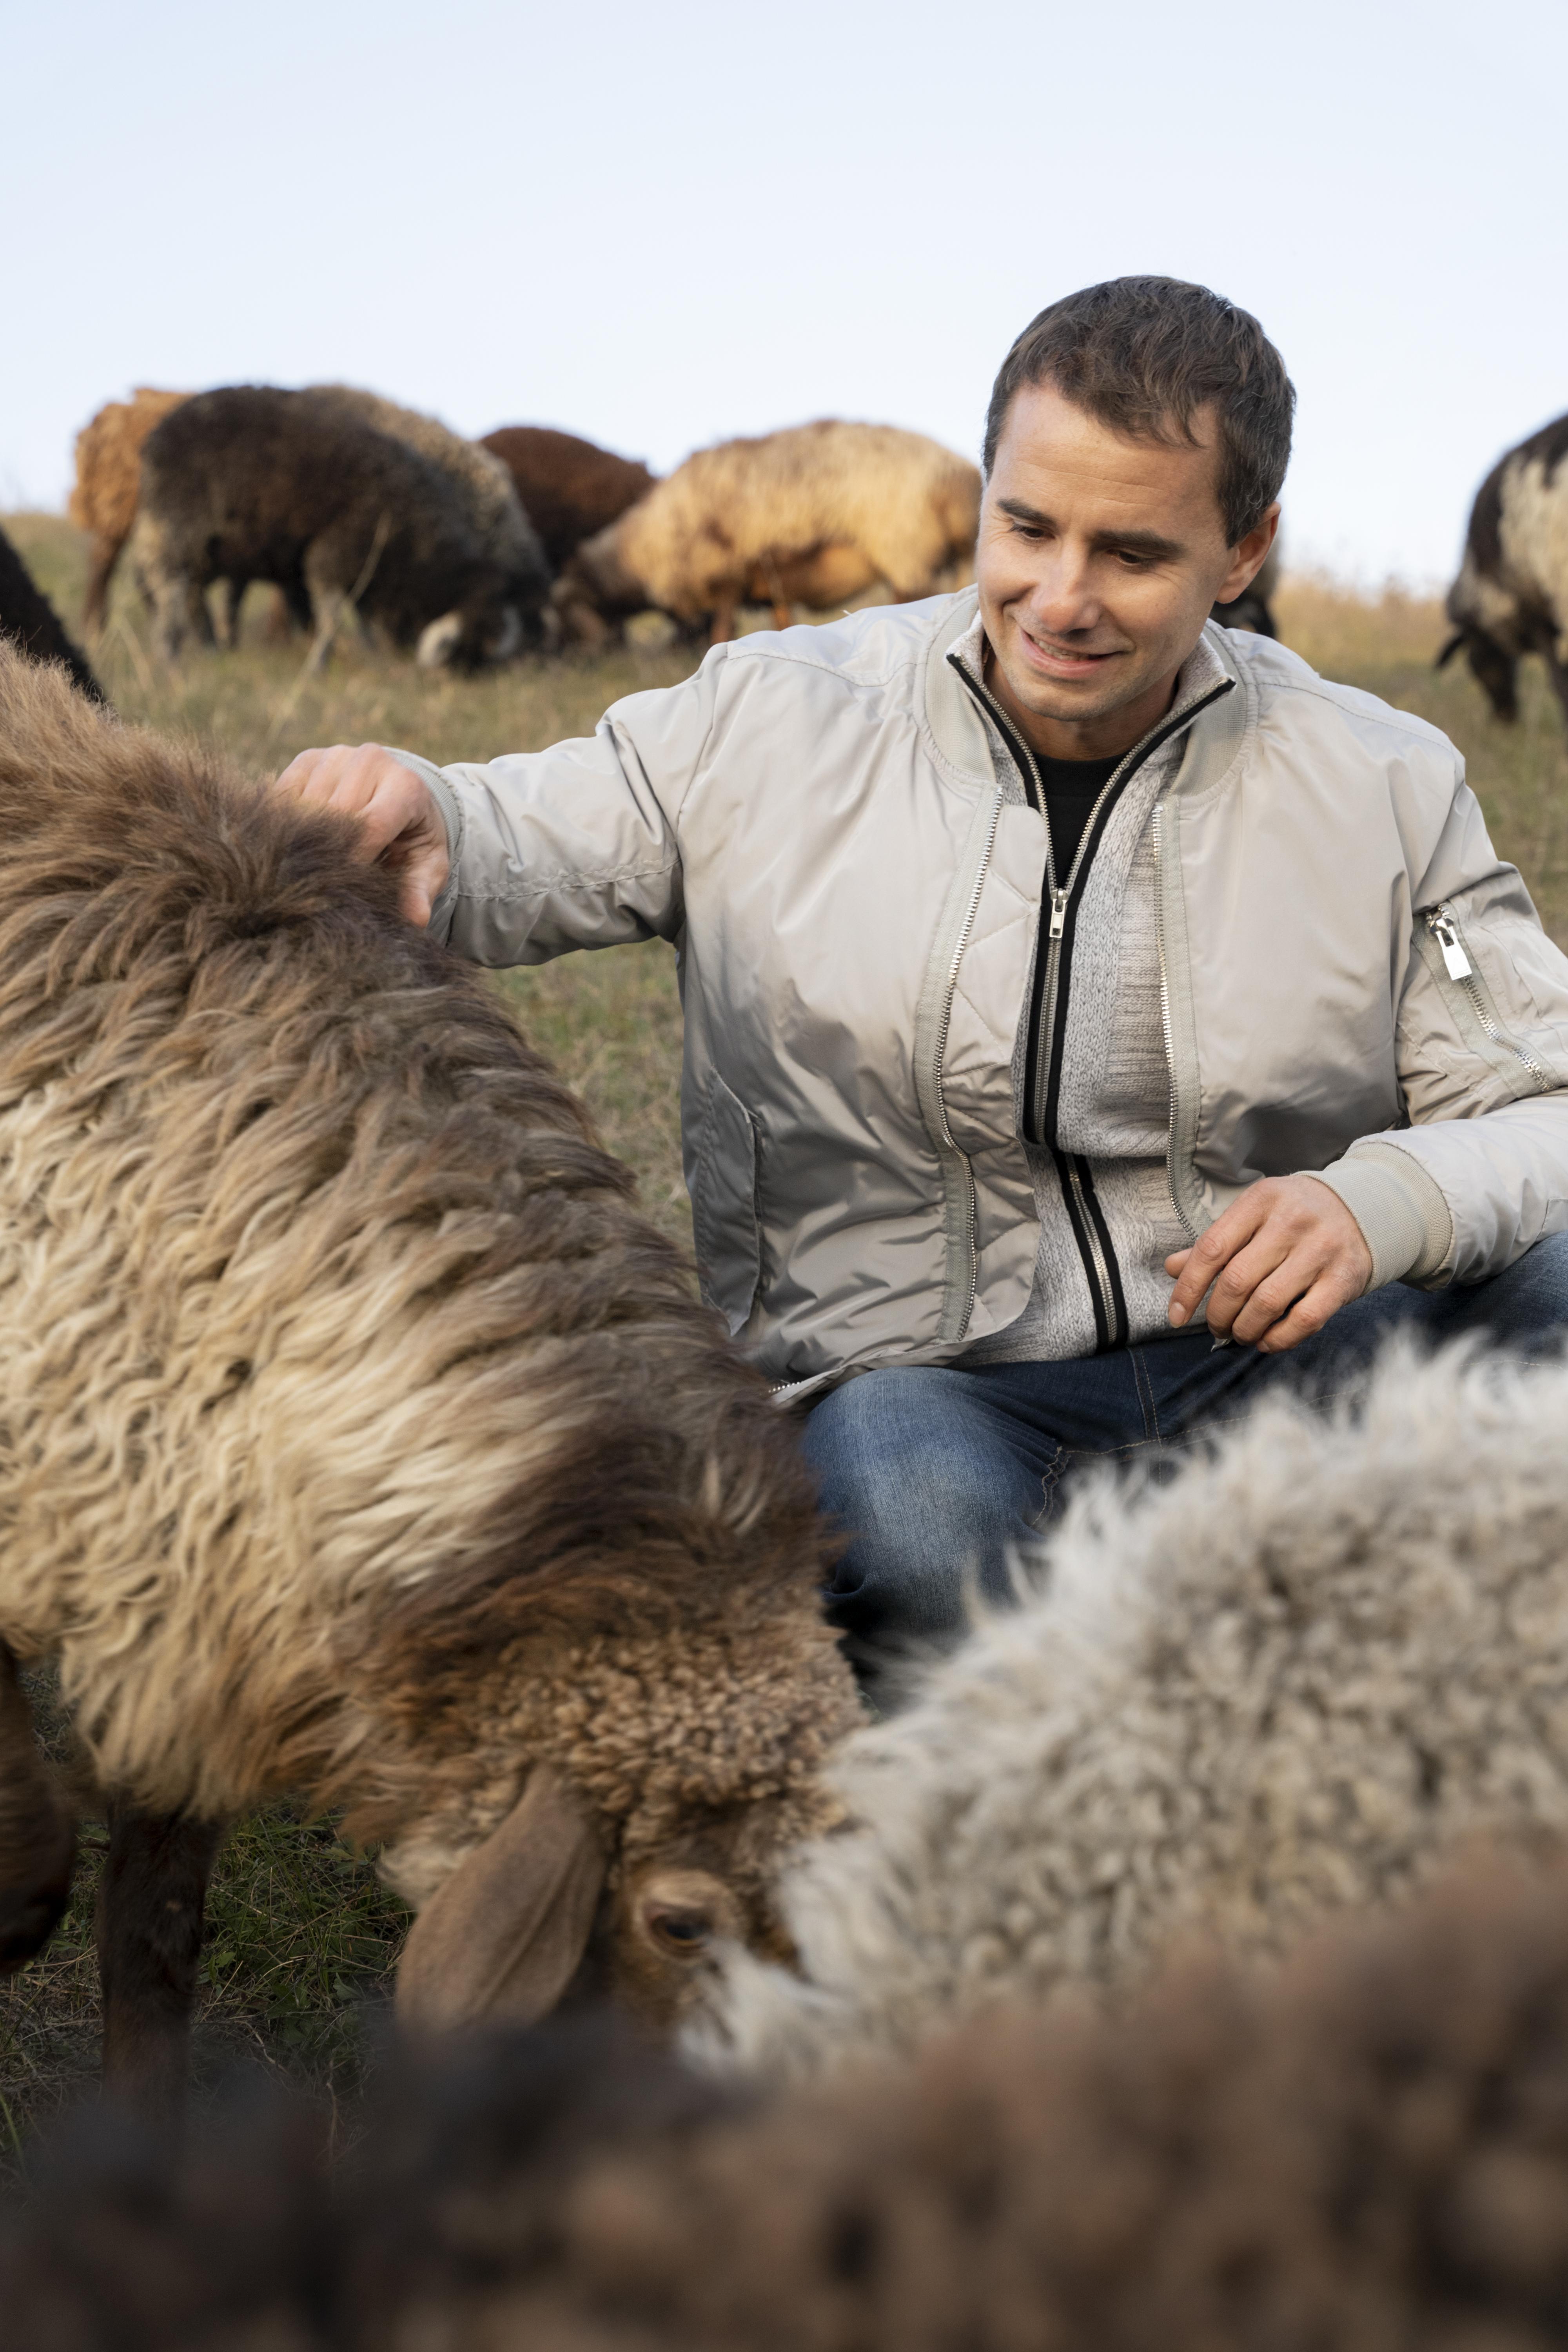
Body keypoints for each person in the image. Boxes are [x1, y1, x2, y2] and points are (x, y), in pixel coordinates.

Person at [274, 277, 1568, 1677]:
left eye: (1132, 553)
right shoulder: (773, 716)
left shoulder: (1382, 775)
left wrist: (1374, 1204)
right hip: (927, 1389)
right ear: (985, 493)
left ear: (1243, 549)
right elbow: (524, 831)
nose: (1059, 599)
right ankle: (1186, 1691)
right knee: (924, 1524)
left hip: (1280, 1355)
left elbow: (1545, 1101)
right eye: (1026, 527)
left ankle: (1339, 1663)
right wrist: (428, 809)